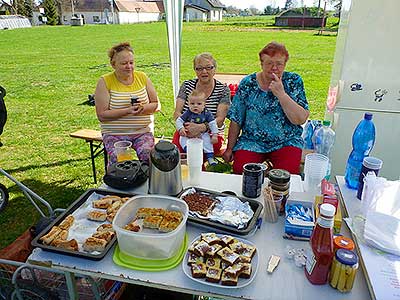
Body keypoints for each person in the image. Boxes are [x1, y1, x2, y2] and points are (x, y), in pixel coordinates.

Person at [222, 41, 309, 174]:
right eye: (269, 63)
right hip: (252, 141)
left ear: (285, 64)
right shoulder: (248, 83)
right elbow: (236, 119)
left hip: (285, 140)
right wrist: (229, 148)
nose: (274, 68)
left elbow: (301, 119)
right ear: (261, 64)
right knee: (241, 171)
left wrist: (281, 94)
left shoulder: (293, 81)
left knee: (286, 175)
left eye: (279, 64)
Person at [94, 42, 160, 165]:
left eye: (131, 62)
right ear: (113, 64)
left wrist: (143, 108)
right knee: (120, 161)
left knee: (149, 156)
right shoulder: (105, 81)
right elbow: (102, 115)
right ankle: (118, 181)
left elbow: (155, 103)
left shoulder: (142, 77)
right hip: (115, 134)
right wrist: (127, 111)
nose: (129, 66)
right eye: (124, 63)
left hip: (142, 132)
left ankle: (146, 182)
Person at [172, 53, 230, 158]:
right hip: (185, 132)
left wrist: (201, 128)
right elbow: (177, 113)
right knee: (176, 155)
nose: (204, 71)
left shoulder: (223, 90)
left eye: (208, 67)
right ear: (195, 70)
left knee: (196, 155)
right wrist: (187, 129)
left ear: (215, 69)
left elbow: (220, 119)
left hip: (212, 135)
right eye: (199, 68)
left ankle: (199, 171)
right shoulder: (187, 86)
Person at [175, 90, 219, 165]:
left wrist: (215, 135)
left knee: (207, 140)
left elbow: (212, 123)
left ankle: (210, 157)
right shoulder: (188, 112)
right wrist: (181, 128)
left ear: (204, 105)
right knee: (182, 139)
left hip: (202, 133)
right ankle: (188, 152)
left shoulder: (207, 113)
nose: (195, 106)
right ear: (188, 104)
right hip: (188, 134)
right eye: (192, 103)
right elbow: (179, 120)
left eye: (199, 104)